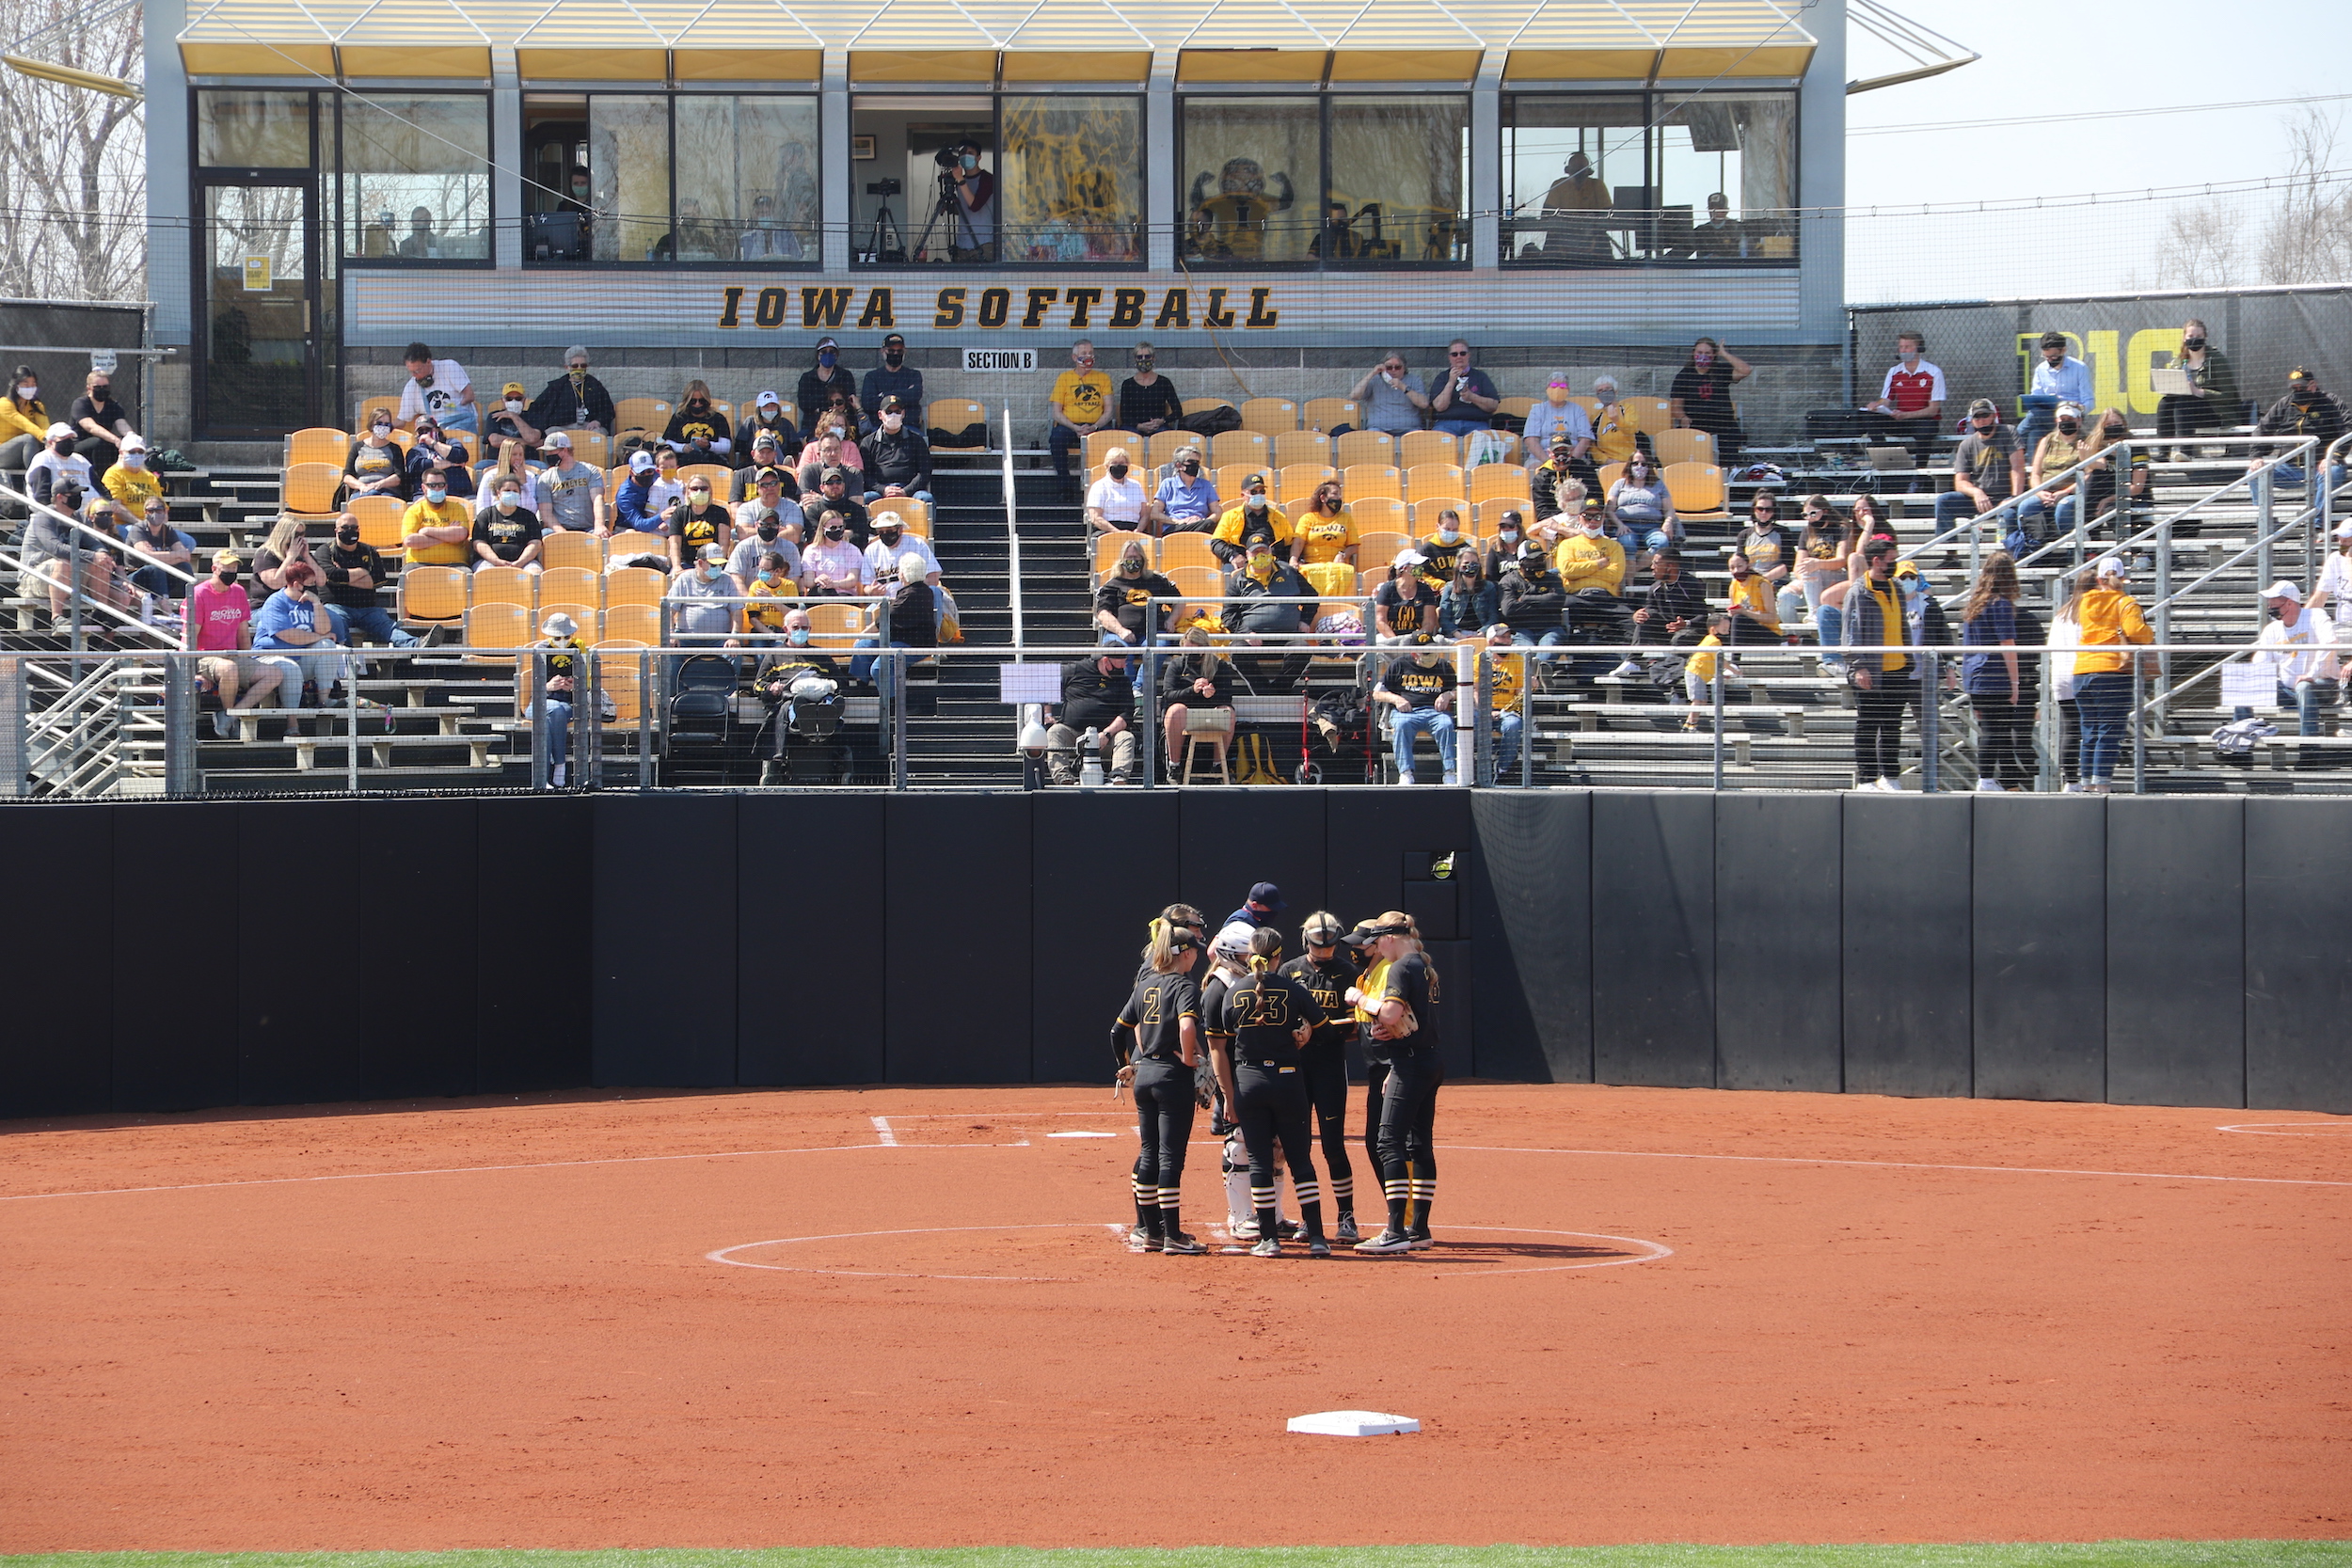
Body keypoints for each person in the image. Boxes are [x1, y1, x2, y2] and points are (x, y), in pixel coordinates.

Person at [1204, 927, 1329, 1259]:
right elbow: (1324, 1030)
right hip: (1288, 1081)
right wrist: (1304, 1033)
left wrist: (1227, 1096)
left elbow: (1220, 1046)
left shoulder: (1233, 992)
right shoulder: (1294, 989)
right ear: (1278, 956)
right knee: (1300, 1160)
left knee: (1259, 1161)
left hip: (1249, 1083)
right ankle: (1317, 1237)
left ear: (1250, 955)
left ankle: (1269, 1239)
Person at [1343, 911, 1440, 1252]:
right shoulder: (1423, 965)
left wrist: (1359, 999)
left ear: (1388, 938)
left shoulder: (1400, 966)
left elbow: (1390, 1013)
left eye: (1378, 942)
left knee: (1388, 1143)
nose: (1377, 949)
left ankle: (1395, 1231)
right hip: (1429, 1060)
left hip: (1409, 1064)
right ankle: (1419, 1229)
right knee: (1419, 1145)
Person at [1112, 921, 1205, 1255]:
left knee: (1150, 1153)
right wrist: (1191, 1058)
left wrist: (1125, 1064)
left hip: (1145, 1075)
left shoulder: (1145, 984)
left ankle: (1151, 1232)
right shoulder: (1184, 986)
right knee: (1170, 1158)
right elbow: (1186, 1026)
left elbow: (1117, 1031)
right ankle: (1173, 1235)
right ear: (1186, 953)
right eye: (1195, 950)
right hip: (1171, 1077)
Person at [1280, 911, 1360, 1243]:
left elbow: (1355, 1026)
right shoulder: (1289, 971)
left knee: (1333, 1145)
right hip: (1297, 1068)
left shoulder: (1348, 972)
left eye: (1330, 945)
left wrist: (1320, 1029)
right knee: (1299, 1146)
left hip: (1329, 1066)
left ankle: (1346, 1216)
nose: (1325, 951)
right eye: (1318, 945)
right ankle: (1308, 1218)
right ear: (1306, 941)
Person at [2073, 557, 2153, 792]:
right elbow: (2136, 632)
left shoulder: (2085, 602)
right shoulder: (2126, 602)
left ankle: (2086, 784)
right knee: (2109, 731)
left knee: (2089, 732)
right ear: (2123, 578)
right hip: (2111, 671)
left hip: (2082, 670)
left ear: (2098, 579)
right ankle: (2102, 784)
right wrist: (2149, 632)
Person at [1843, 538, 1917, 792]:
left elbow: (1902, 624)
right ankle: (1866, 779)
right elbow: (1851, 633)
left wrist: (1908, 659)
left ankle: (1890, 775)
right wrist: (1859, 666)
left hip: (1898, 668)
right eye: (1891, 559)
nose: (1895, 563)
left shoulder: (1896, 586)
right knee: (1868, 723)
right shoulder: (1858, 592)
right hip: (1871, 670)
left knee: (1892, 724)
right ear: (1877, 561)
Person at [190, 550, 286, 736]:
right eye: (227, 567)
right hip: (205, 656)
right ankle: (229, 716)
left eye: (234, 567)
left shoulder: (239, 592)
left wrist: (247, 659)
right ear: (214, 568)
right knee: (229, 669)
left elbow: (243, 633)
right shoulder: (199, 594)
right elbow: (190, 637)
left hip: (233, 656)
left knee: (274, 674)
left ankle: (230, 716)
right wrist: (194, 670)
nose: (231, 571)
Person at [1961, 553, 2032, 792]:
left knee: (1995, 730)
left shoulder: (1975, 604)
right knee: (1995, 730)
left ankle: (2006, 782)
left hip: (1975, 674)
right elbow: (2007, 645)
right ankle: (1986, 779)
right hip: (1994, 675)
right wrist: (2015, 683)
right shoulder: (2000, 604)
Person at [753, 610, 845, 784]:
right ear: (786, 630)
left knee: (829, 699)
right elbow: (758, 684)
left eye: (804, 627)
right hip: (790, 696)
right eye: (796, 627)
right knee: (792, 704)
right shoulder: (774, 654)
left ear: (810, 629)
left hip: (819, 695)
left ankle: (828, 717)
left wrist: (829, 684)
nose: (800, 631)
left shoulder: (820, 654)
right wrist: (771, 687)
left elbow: (841, 681)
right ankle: (799, 719)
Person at [2244, 580, 2339, 746]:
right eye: (2269, 604)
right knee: (2243, 686)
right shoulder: (2272, 629)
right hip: (2287, 690)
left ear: (2290, 603)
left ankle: (2309, 748)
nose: (2270, 607)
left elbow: (2329, 644)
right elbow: (2261, 661)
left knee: (2304, 686)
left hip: (2323, 686)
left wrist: (2311, 675)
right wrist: (2254, 679)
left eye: (2274, 604)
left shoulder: (2316, 616)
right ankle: (2239, 745)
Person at [250, 559, 348, 714]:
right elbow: (289, 636)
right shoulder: (275, 602)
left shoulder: (309, 601)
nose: (313, 588)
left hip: (300, 657)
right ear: (296, 584)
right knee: (292, 667)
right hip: (271, 658)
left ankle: (324, 701)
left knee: (328, 646)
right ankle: (292, 722)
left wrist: (317, 603)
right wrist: (319, 637)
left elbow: (324, 631)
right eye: (310, 584)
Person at [2249, 367, 2349, 506]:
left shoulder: (2331, 401)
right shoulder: (2284, 404)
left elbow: (2347, 428)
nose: (2298, 391)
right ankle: (2265, 518)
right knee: (2253, 474)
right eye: (2294, 388)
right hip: (2289, 468)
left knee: (2333, 473)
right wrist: (2256, 456)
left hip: (2321, 466)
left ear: (2313, 385)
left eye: (2301, 387)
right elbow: (2262, 428)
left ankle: (2319, 519)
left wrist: (2334, 457)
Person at [322, 512, 420, 648]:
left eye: (354, 527)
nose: (350, 530)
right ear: (336, 530)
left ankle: (416, 644)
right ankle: (347, 655)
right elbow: (330, 575)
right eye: (345, 527)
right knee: (336, 621)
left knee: (387, 625)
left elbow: (379, 579)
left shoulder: (368, 551)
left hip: (367, 609)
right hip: (336, 607)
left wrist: (345, 575)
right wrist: (363, 572)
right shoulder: (326, 551)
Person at [1933, 399, 2026, 537]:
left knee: (2008, 514)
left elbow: (2017, 467)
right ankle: (1947, 549)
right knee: (1944, 501)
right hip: (1980, 500)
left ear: (1993, 416)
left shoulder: (2009, 432)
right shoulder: (1966, 445)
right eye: (1977, 417)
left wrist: (2014, 498)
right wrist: (1976, 493)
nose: (1981, 420)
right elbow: (1960, 481)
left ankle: (2008, 549)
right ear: (1971, 421)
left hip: (2006, 497)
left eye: (1985, 415)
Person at [1046, 648, 1136, 785]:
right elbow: (1049, 685)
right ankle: (1063, 778)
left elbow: (1126, 714)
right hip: (1073, 734)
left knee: (1126, 737)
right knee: (1055, 731)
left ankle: (1118, 777)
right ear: (1106, 661)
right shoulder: (1075, 670)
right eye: (1121, 663)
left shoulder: (1122, 681)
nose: (1124, 666)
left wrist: (1106, 734)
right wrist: (1048, 714)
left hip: (1106, 738)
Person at [1555, 503, 1629, 666]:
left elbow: (1615, 575)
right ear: (1579, 518)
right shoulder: (1567, 545)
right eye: (1587, 517)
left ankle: (1631, 663)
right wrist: (1599, 564)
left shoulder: (1615, 546)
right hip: (1577, 598)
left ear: (1603, 519)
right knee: (1555, 614)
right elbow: (1567, 570)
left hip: (1606, 600)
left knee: (1634, 620)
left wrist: (1580, 569)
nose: (1592, 521)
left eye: (1597, 517)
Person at [2155, 318, 2240, 458]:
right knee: (2165, 403)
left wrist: (2199, 392)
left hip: (2215, 412)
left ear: (2205, 337)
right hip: (2185, 412)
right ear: (2184, 338)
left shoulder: (2216, 359)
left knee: (2184, 402)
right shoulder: (2178, 362)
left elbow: (2229, 396)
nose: (2194, 339)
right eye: (2191, 336)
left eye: (2199, 336)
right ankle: (2163, 453)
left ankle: (2185, 452)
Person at [849, 553, 935, 689]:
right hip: (897, 637)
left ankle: (892, 699)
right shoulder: (909, 591)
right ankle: (861, 688)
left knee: (879, 667)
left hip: (914, 644)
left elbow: (883, 621)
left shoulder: (913, 594)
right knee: (863, 646)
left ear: (903, 574)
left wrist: (861, 635)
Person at [1378, 636, 1456, 785]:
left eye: (1433, 650)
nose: (1432, 655)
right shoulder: (1399, 664)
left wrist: (1449, 695)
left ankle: (1450, 773)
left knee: (1446, 725)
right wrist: (1396, 699)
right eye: (1427, 653)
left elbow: (1460, 690)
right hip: (1406, 713)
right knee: (1402, 725)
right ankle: (1405, 773)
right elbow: (1377, 693)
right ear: (1415, 654)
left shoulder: (1443, 665)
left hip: (1436, 713)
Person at [1159, 626, 1234, 781]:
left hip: (1209, 715)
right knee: (1176, 710)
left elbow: (1227, 696)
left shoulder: (1220, 666)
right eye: (1187, 650)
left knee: (1228, 711)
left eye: (1194, 650)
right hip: (1184, 716)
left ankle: (1217, 765)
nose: (1190, 654)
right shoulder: (1177, 665)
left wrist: (1212, 695)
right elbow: (1168, 695)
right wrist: (1192, 690)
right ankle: (1174, 766)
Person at [1867, 331, 1947, 470]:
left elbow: (1933, 410)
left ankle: (1920, 473)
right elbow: (1886, 400)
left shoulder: (1934, 372)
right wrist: (1876, 405)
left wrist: (1906, 415)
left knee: (1925, 432)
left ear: (1919, 348)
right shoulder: (1894, 372)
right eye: (1901, 347)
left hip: (1924, 421)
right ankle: (1887, 463)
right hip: (1901, 421)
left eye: (1908, 347)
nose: (1903, 350)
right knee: (1869, 418)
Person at [2017, 402, 2090, 547]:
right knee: (2026, 506)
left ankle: (2072, 552)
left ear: (2079, 420)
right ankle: (2033, 550)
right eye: (2062, 419)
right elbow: (2035, 474)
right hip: (2046, 493)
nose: (2066, 422)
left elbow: (2089, 474)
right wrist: (2040, 492)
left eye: (2070, 419)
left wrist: (2065, 492)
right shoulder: (2047, 440)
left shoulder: (2087, 440)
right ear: (2057, 420)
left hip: (2072, 493)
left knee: (2064, 506)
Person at [1669, 337, 1750, 462]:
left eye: (1707, 353)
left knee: (1730, 443)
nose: (1703, 356)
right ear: (1693, 353)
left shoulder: (1721, 370)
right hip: (1696, 423)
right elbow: (1676, 407)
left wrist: (1724, 353)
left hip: (1723, 423)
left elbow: (1746, 370)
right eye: (1700, 352)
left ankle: (1729, 468)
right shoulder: (1684, 376)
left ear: (1713, 355)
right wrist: (1683, 418)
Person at [529, 611, 586, 788]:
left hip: (568, 702)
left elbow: (588, 680)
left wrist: (575, 686)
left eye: (567, 637)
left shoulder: (579, 647)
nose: (562, 641)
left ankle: (543, 779)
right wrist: (547, 686)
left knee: (553, 716)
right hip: (540, 701)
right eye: (557, 638)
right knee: (553, 710)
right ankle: (560, 765)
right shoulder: (540, 648)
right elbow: (534, 685)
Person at [1094, 541, 1182, 656]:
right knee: (1119, 653)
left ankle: (1145, 669)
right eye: (1129, 558)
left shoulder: (1156, 580)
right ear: (1122, 560)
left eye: (1136, 557)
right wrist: (1121, 631)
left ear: (1143, 560)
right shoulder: (1113, 584)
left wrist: (1171, 620)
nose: (1133, 561)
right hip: (1120, 634)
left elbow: (1179, 602)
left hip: (1153, 633)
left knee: (1156, 652)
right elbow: (1103, 614)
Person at [1047, 341, 1113, 492]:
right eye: (1084, 354)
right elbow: (1056, 412)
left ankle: (1102, 487)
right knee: (1056, 439)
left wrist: (1094, 426)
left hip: (1096, 426)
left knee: (1111, 439)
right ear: (1074, 357)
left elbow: (1109, 410)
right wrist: (1075, 427)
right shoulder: (1064, 378)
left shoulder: (1103, 378)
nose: (1088, 357)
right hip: (1070, 427)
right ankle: (1065, 487)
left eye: (1091, 353)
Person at [1224, 538, 1314, 648]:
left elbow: (1312, 597)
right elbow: (1228, 614)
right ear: (1247, 554)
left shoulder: (1289, 572)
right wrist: (1245, 633)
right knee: (1238, 649)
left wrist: (1305, 620)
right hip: (1252, 638)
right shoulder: (1238, 579)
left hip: (1289, 636)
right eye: (1256, 552)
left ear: (1270, 551)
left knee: (1301, 648)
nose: (1260, 555)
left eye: (1263, 551)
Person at [1785, 496, 1851, 633]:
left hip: (1835, 574)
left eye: (1813, 513)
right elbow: (1798, 566)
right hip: (1811, 577)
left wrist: (1818, 564)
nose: (1809, 518)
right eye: (1805, 515)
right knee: (1784, 596)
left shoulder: (1840, 529)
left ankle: (1814, 613)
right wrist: (1805, 580)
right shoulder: (1806, 532)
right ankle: (1797, 637)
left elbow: (1841, 561)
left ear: (1825, 511)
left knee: (1812, 569)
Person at [2020, 331, 2092, 453]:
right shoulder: (2041, 369)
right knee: (2034, 433)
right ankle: (2033, 464)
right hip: (2048, 414)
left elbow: (2089, 400)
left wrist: (2079, 408)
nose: (2049, 360)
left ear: (2063, 350)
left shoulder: (2080, 368)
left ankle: (2013, 441)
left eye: (2053, 356)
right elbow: (2036, 395)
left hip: (2070, 416)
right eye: (2046, 357)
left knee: (2034, 415)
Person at [120, 495, 195, 610]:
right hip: (137, 576)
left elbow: (185, 555)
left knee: (184, 566)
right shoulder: (138, 529)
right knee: (156, 568)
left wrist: (157, 556)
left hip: (159, 578)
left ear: (165, 512)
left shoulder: (167, 530)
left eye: (159, 510)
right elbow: (146, 557)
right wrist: (175, 555)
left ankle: (189, 606)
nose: (155, 514)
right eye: (150, 511)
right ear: (145, 513)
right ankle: (167, 611)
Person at [2047, 573, 2086, 789]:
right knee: (2089, 729)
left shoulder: (2060, 615)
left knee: (2071, 729)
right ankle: (2088, 779)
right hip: (2083, 674)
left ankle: (2071, 780)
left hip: (2061, 676)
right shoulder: (2088, 612)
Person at [526, 347, 615, 439]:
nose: (579, 368)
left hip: (589, 427)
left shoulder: (595, 385)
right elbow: (536, 408)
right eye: (575, 366)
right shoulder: (557, 387)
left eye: (583, 365)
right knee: (551, 434)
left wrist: (598, 421)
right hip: (563, 427)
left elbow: (609, 410)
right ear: (567, 367)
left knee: (598, 434)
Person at [1538, 150, 1613, 262]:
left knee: (1604, 249)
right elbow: (1547, 214)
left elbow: (1608, 214)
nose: (1579, 171)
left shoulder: (1597, 185)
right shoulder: (1559, 185)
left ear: (1588, 170)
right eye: (1576, 167)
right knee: (1551, 247)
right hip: (1562, 240)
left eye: (1582, 167)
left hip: (1593, 239)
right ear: (1568, 169)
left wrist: (1591, 220)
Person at [1606, 451, 1678, 559]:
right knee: (1626, 544)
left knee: (1662, 543)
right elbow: (1609, 509)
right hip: (1626, 527)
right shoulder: (1619, 484)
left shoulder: (1658, 484)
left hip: (1652, 527)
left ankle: (1636, 567)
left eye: (1644, 464)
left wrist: (1667, 523)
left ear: (1649, 466)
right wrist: (1620, 525)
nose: (1639, 467)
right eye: (1635, 463)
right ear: (1630, 465)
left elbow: (1669, 509)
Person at [1500, 538, 1569, 650]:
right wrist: (1544, 606)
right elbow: (1509, 609)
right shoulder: (1508, 581)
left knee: (1548, 648)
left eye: (1541, 558)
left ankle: (1538, 663)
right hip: (1521, 631)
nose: (1539, 562)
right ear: (1522, 562)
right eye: (1534, 560)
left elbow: (1557, 600)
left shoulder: (1553, 579)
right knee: (1527, 651)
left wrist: (1525, 599)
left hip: (1550, 629)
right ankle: (1536, 662)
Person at [671, 544, 743, 649]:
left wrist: (734, 636)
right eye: (714, 565)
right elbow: (669, 610)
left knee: (734, 651)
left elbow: (737, 611)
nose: (718, 568)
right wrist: (671, 633)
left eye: (720, 565)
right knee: (670, 650)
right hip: (686, 637)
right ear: (700, 563)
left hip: (721, 639)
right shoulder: (684, 579)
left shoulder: (727, 579)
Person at [864, 396, 932, 508]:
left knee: (926, 498)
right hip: (880, 493)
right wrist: (883, 489)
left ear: (903, 414)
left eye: (897, 412)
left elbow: (925, 472)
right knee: (866, 498)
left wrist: (906, 491)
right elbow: (865, 475)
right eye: (889, 412)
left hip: (911, 492)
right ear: (880, 415)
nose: (893, 415)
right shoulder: (868, 442)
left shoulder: (917, 440)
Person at [1210, 471, 1290, 565]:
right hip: (1241, 563)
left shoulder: (1279, 517)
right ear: (1243, 495)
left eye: (1262, 491)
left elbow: (1290, 543)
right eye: (1254, 492)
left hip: (1273, 563)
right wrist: (1233, 556)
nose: (1259, 495)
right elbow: (1216, 543)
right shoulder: (1229, 517)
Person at [533, 431, 606, 534]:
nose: (548, 455)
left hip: (588, 528)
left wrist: (599, 525)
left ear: (565, 450)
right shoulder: (545, 478)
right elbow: (546, 513)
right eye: (547, 452)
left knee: (601, 535)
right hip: (558, 530)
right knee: (545, 534)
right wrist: (563, 532)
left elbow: (598, 499)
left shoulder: (589, 471)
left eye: (551, 451)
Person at [401, 467, 474, 568]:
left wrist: (426, 531)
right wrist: (448, 536)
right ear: (424, 488)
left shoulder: (457, 508)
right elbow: (410, 541)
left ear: (446, 487)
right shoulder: (413, 510)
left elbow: (461, 534)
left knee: (467, 575)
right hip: (418, 563)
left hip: (455, 563)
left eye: (441, 485)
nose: (437, 489)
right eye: (432, 485)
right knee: (406, 576)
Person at [397, 341, 477, 435]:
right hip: (435, 432)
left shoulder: (449, 367)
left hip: (461, 428)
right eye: (411, 372)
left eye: (417, 371)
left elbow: (469, 395)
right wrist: (386, 426)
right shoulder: (411, 387)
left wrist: (454, 409)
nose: (414, 375)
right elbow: (401, 421)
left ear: (428, 362)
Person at [1481, 622, 1528, 776]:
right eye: (1503, 638)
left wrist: (1504, 711)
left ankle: (1502, 769)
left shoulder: (1518, 660)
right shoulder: (1478, 660)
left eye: (1508, 638)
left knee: (1513, 724)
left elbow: (1520, 693)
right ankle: (1474, 767)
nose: (1507, 641)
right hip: (1480, 709)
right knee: (1468, 724)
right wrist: (1485, 711)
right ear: (1490, 641)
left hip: (1506, 710)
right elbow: (1474, 691)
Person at [662, 471, 732, 575]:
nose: (699, 491)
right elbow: (675, 543)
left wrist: (716, 566)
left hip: (713, 563)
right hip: (687, 563)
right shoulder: (679, 513)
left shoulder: (720, 513)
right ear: (688, 492)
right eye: (694, 488)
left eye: (704, 488)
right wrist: (677, 567)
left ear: (710, 492)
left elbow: (723, 544)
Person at [471, 477, 546, 573]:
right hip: (488, 561)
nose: (511, 493)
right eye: (507, 490)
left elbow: (535, 543)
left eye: (515, 491)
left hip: (524, 562)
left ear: (519, 494)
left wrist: (520, 562)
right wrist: (496, 561)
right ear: (498, 493)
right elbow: (479, 543)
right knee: (486, 574)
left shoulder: (528, 516)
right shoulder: (486, 515)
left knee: (535, 573)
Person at [1348, 353, 1431, 437]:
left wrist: (1403, 387)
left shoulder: (1414, 380)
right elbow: (1354, 395)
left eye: (1397, 367)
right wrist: (1372, 373)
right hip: (1378, 428)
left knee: (1420, 438)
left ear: (1404, 368)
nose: (1393, 370)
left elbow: (1424, 404)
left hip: (1409, 429)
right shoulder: (1375, 380)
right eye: (1389, 367)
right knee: (1370, 438)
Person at [1429, 340, 1500, 439]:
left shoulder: (1480, 376)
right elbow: (1439, 407)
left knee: (1483, 443)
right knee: (1436, 443)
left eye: (1462, 353)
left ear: (1468, 355)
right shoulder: (1442, 377)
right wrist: (1451, 381)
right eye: (1454, 354)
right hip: (1446, 423)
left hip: (1476, 423)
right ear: (1449, 358)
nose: (1459, 357)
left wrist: (1472, 397)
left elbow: (1493, 405)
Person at [1523, 373, 1595, 470]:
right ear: (1547, 388)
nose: (1558, 389)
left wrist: (1571, 460)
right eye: (1554, 385)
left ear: (1568, 390)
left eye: (1563, 386)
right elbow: (1530, 440)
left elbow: (1585, 439)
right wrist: (1549, 462)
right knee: (1535, 468)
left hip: (1572, 457)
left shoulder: (1578, 410)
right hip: (1542, 458)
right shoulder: (1537, 410)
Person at [70, 368, 134, 468]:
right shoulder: (80, 404)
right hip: (79, 445)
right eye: (98, 387)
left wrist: (132, 438)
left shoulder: (113, 405)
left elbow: (122, 425)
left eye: (105, 387)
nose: (102, 390)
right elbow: (91, 427)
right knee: (99, 442)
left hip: (104, 444)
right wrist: (115, 440)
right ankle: (100, 477)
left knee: (123, 445)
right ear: (89, 388)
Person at [1373, 549, 1440, 643]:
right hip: (1389, 638)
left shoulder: (1425, 590)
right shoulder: (1387, 589)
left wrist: (1418, 638)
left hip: (1416, 639)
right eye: (1417, 566)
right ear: (1405, 568)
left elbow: (1429, 621)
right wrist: (1396, 641)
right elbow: (1380, 620)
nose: (1421, 568)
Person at [946, 139, 996, 261]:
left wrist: (960, 180)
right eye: (963, 153)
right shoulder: (960, 180)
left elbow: (975, 206)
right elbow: (964, 208)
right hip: (962, 243)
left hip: (984, 243)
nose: (965, 156)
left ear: (978, 158)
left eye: (970, 153)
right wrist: (949, 207)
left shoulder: (987, 179)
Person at [1117, 341, 1182, 437]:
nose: (1143, 360)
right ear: (1135, 359)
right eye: (1140, 357)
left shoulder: (1164, 382)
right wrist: (1139, 426)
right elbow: (1124, 414)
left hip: (1158, 427)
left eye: (1147, 356)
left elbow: (1178, 411)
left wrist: (1162, 421)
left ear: (1153, 358)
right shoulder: (1128, 384)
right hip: (1133, 427)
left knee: (1165, 437)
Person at [800, 510, 870, 598]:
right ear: (823, 529)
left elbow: (852, 580)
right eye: (833, 528)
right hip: (820, 594)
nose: (838, 530)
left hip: (844, 596)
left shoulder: (852, 550)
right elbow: (808, 581)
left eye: (841, 527)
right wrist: (817, 580)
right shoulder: (811, 550)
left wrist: (834, 584)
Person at [342, 408, 407, 502]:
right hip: (361, 491)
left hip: (387, 491)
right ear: (372, 424)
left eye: (387, 424)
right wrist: (361, 486)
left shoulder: (394, 448)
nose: (383, 427)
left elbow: (399, 477)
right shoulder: (357, 447)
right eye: (379, 423)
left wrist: (377, 485)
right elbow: (347, 475)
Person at [1151, 445, 1219, 535]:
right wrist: (1179, 521)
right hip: (1175, 528)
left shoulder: (1206, 485)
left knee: (1210, 525)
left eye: (1197, 462)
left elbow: (1218, 512)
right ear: (1179, 465)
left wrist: (1204, 521)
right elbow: (1154, 513)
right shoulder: (1168, 484)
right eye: (1191, 461)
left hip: (1201, 526)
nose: (1195, 465)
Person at [1681, 609, 1732, 727]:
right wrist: (1735, 671)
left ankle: (1692, 724)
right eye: (1724, 629)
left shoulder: (1711, 640)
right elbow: (1720, 661)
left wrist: (1720, 674)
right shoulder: (1713, 641)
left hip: (1700, 673)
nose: (1727, 632)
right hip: (1696, 672)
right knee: (1698, 700)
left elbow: (1710, 661)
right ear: (1713, 629)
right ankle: (1690, 724)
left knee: (1702, 700)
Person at [405, 417, 475, 502]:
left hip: (460, 493)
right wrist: (451, 464)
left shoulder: (450, 442)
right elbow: (418, 466)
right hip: (426, 496)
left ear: (437, 429)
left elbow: (461, 456)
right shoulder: (415, 451)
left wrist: (433, 442)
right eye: (421, 431)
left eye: (428, 429)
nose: (424, 434)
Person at [1289, 480, 1356, 569]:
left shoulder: (1346, 518)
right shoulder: (1307, 518)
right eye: (1335, 494)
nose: (1339, 497)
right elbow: (1298, 543)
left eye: (1340, 494)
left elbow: (1354, 545)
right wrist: (1293, 560)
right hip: (1311, 567)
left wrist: (1342, 555)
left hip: (1337, 567)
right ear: (1323, 498)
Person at [799, 465, 870, 547]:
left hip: (850, 553)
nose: (835, 485)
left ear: (843, 486)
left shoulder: (856, 509)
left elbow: (862, 539)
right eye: (830, 483)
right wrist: (847, 534)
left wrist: (829, 534)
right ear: (822, 488)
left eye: (838, 482)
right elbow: (813, 538)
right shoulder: (813, 511)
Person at [795, 338, 858, 432]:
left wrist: (818, 406)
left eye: (832, 351)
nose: (828, 354)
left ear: (836, 355)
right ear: (818, 355)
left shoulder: (845, 376)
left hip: (840, 424)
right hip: (812, 425)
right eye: (824, 352)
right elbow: (804, 404)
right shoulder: (807, 378)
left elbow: (848, 401)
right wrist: (831, 400)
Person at [861, 334, 923, 428]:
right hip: (879, 428)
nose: (895, 354)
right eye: (891, 351)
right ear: (883, 351)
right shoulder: (872, 376)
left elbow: (915, 396)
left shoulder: (914, 375)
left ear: (904, 351)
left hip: (908, 426)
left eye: (899, 351)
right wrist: (904, 394)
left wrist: (883, 395)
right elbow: (868, 404)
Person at [1723, 550, 1779, 653]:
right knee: (1719, 621)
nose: (1736, 571)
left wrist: (1744, 612)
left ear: (1748, 565)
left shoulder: (1762, 583)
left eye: (1740, 566)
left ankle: (1735, 660)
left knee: (1739, 619)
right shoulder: (1733, 585)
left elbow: (1772, 618)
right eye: (1732, 568)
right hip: (1744, 631)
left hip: (1767, 632)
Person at [479, 381, 542, 472]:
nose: (514, 402)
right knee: (480, 466)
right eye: (509, 399)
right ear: (503, 401)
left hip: (527, 461)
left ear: (524, 400)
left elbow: (533, 438)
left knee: (541, 466)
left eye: (518, 398)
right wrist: (526, 442)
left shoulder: (533, 416)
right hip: (497, 461)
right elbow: (494, 441)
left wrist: (513, 416)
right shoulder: (494, 416)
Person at [103, 436, 167, 525]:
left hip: (152, 525)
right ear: (121, 453)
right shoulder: (113, 474)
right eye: (132, 452)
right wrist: (140, 524)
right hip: (124, 524)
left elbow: (162, 507)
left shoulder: (150, 477)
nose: (136, 455)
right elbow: (116, 507)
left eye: (140, 452)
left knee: (182, 535)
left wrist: (161, 527)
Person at [663, 380, 733, 460]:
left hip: (711, 459)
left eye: (701, 401)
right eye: (693, 401)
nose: (697, 404)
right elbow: (668, 443)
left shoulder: (718, 418)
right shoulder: (679, 417)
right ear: (687, 401)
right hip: (685, 460)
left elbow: (726, 447)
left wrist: (709, 445)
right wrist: (683, 448)